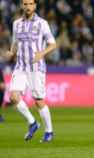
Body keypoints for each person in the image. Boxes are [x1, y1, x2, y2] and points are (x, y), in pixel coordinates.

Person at [6, 0, 56, 142]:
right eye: (25, 4)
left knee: (39, 102)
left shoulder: (42, 23)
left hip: (36, 68)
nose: (28, 6)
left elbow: (53, 44)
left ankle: (49, 131)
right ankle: (32, 122)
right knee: (13, 97)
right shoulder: (16, 24)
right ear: (22, 5)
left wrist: (42, 53)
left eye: (30, 4)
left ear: (35, 6)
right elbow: (15, 43)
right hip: (21, 67)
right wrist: (11, 52)